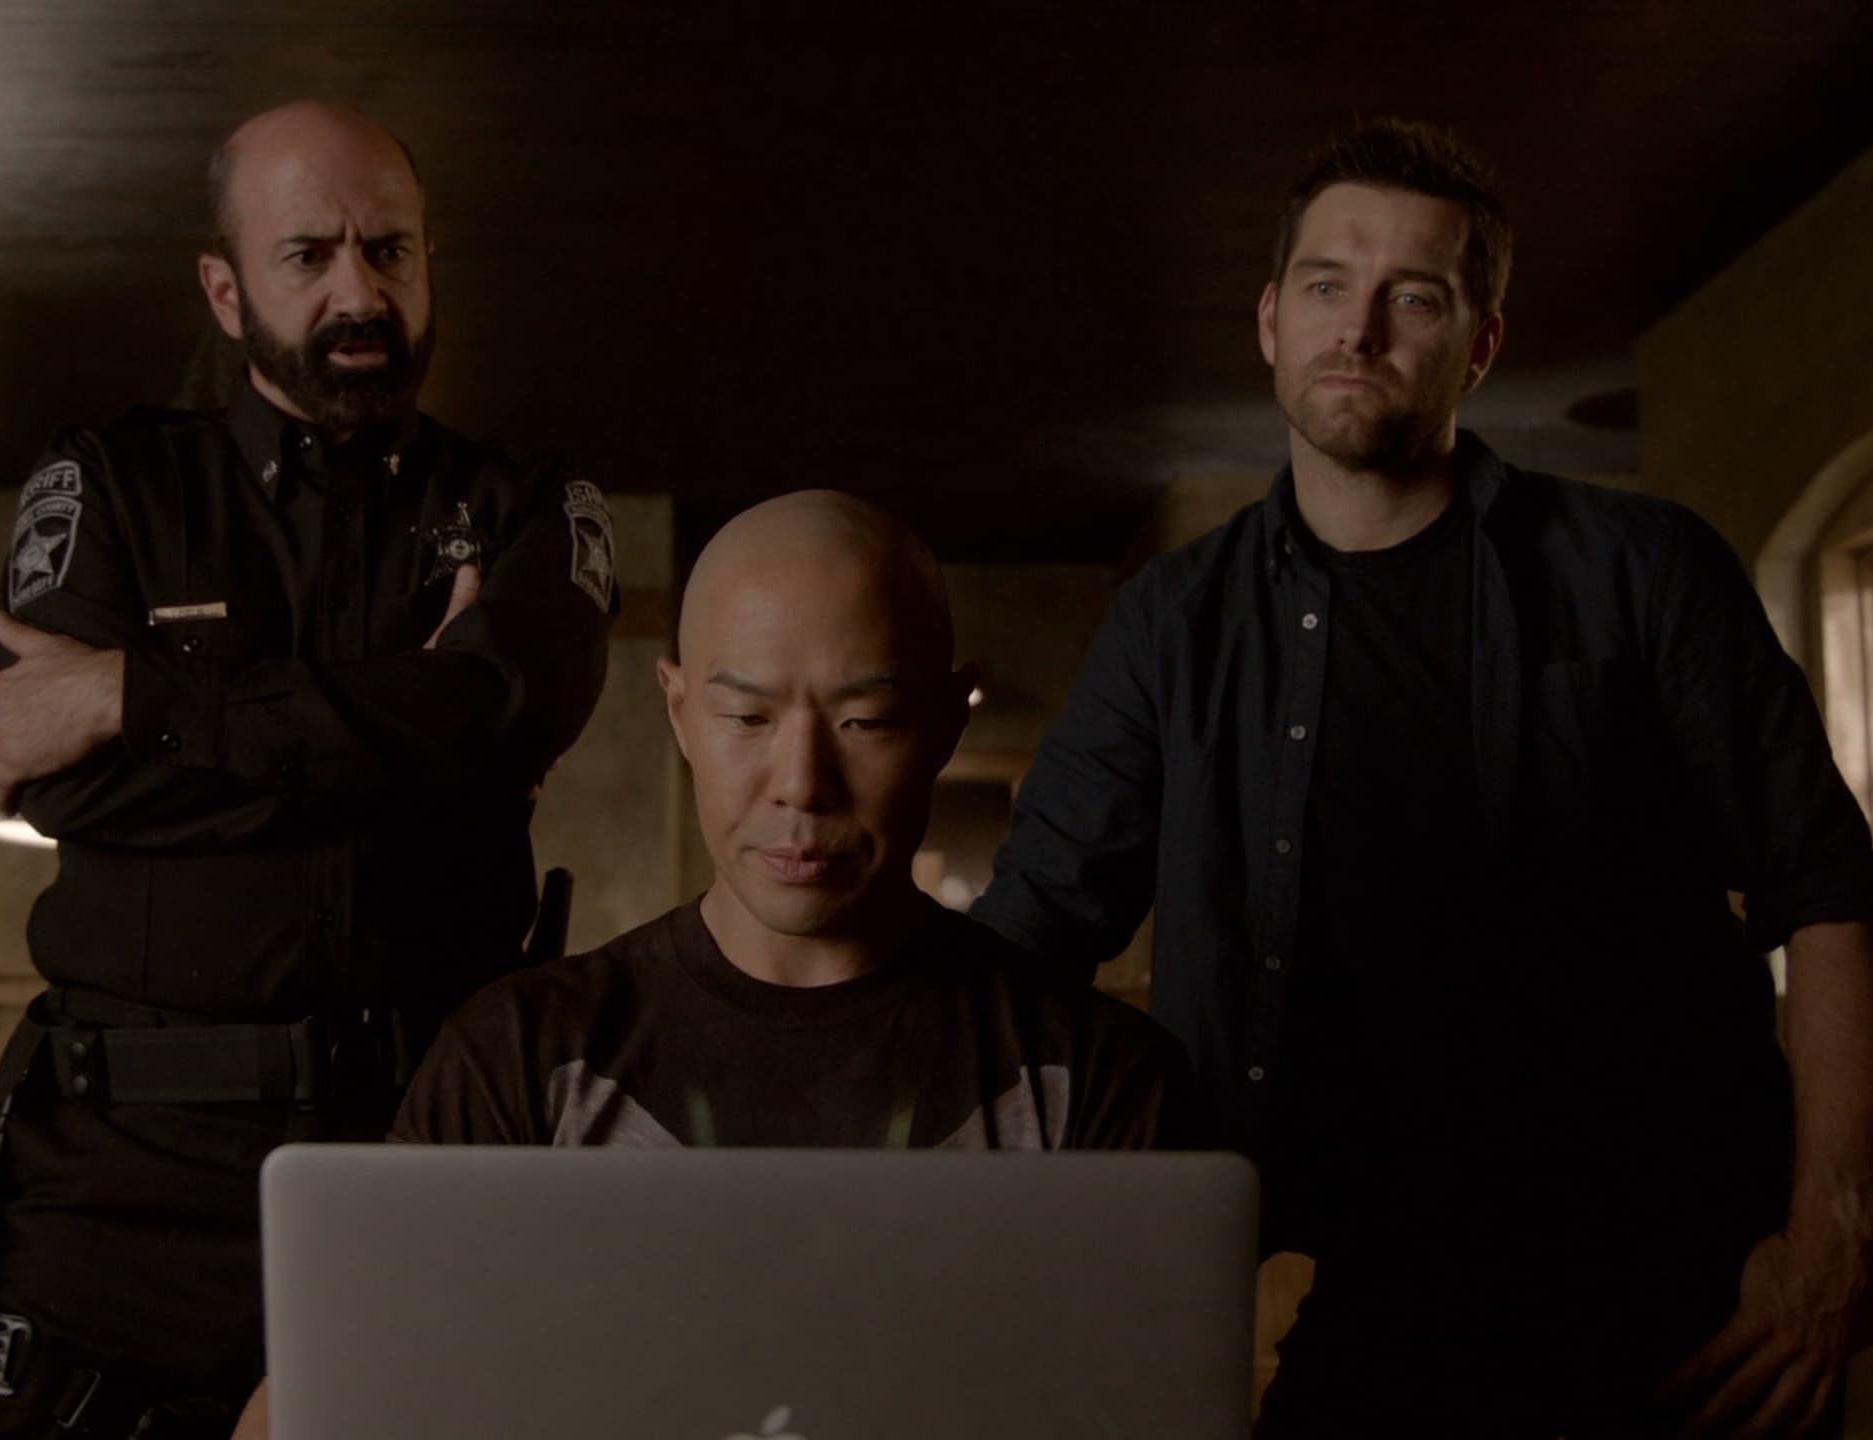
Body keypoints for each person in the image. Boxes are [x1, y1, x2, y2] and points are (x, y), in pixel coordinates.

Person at [972, 119, 1873, 1438]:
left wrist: (1830, 1249)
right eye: (1325, 285)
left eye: (1412, 297)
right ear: (1270, 322)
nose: (1357, 330)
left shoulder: (1643, 570)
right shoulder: (1175, 624)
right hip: (1374, 1293)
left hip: (1671, 1284)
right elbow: (1031, 935)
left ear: (1480, 344)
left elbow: (1828, 893)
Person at [227, 489, 1188, 1440]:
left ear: (945, 722)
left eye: (865, 721)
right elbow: (317, 1406)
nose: (801, 784)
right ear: (680, 712)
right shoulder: (523, 1056)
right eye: (747, 718)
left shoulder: (1089, 1077)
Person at [0, 100, 613, 1436]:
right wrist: (407, 727)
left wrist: (136, 695)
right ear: (224, 286)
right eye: (308, 255)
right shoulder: (112, 488)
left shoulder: (526, 505)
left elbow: (504, 715)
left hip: (426, 1152)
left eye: (390, 250)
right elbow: (65, 783)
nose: (359, 293)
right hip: (123, 1184)